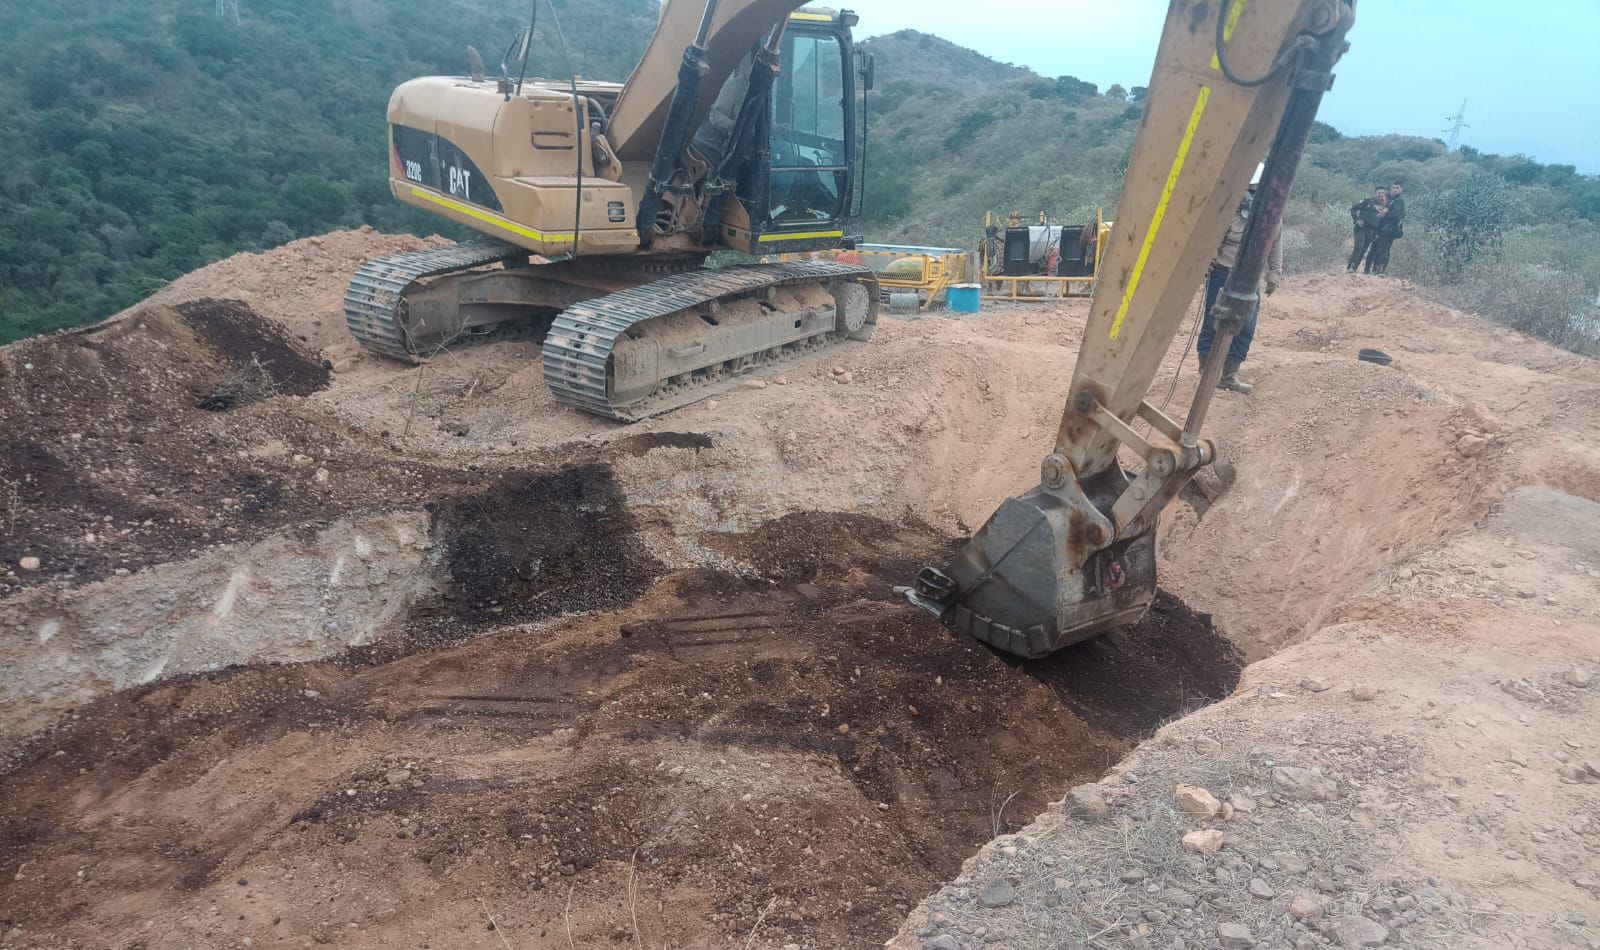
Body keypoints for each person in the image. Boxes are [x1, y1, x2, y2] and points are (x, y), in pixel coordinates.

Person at [1197, 177, 1283, 395]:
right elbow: (1214, 239)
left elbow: (1275, 244)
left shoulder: (1272, 216)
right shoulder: (1229, 213)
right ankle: (1206, 372)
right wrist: (1208, 260)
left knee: (1245, 327)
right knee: (1212, 323)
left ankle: (1228, 376)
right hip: (1223, 273)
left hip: (1250, 279)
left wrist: (1274, 272)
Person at [1364, 181, 1406, 275]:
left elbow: (1396, 215)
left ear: (1401, 189)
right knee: (1375, 248)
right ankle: (1370, 270)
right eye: (1393, 187)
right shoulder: (1391, 199)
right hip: (1382, 229)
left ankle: (1379, 271)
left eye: (1397, 188)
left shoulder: (1399, 201)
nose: (1395, 189)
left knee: (1383, 250)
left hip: (1389, 230)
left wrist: (1384, 214)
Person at [1348, 186, 1388, 272]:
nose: (1381, 195)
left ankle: (1354, 269)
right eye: (1379, 192)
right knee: (1359, 247)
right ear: (1375, 193)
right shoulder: (1367, 201)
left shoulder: (1385, 206)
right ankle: (1351, 267)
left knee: (1363, 250)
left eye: (1383, 193)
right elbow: (1353, 208)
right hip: (1361, 228)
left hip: (1372, 230)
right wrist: (1357, 219)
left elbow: (1383, 220)